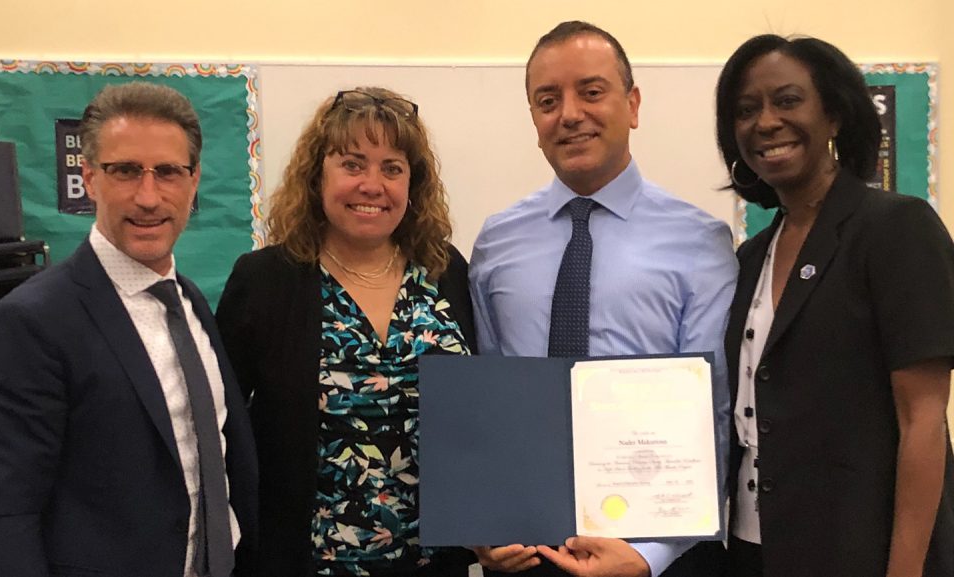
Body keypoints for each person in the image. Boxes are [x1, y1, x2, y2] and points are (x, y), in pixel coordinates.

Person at [469, 20, 737, 577]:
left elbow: (712, 409)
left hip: (656, 555)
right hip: (528, 552)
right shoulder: (496, 242)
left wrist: (651, 555)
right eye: (548, 100)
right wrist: (485, 524)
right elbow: (488, 400)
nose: (569, 114)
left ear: (633, 104)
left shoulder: (700, 240)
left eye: (591, 92)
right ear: (534, 120)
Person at [0, 82, 258, 577]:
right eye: (124, 171)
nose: (148, 197)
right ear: (91, 178)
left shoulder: (189, 303)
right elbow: (7, 518)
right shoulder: (30, 323)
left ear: (194, 181)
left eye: (167, 172)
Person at [715, 34, 954, 577]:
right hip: (755, 547)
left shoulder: (896, 228)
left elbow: (923, 419)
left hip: (862, 551)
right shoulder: (752, 255)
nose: (766, 122)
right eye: (745, 110)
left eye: (788, 100)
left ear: (836, 115)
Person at [216, 86, 476, 577]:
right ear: (317, 176)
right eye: (353, 164)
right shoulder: (265, 280)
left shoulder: (446, 271)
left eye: (392, 168)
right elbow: (224, 430)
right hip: (304, 561)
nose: (372, 184)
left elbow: (480, 415)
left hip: (433, 562)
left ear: (412, 184)